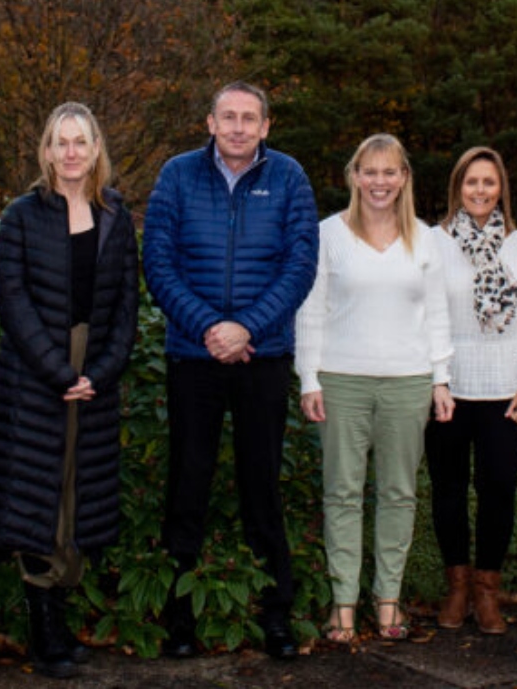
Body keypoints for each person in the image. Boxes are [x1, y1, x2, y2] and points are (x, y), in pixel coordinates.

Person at [141, 81, 319, 660]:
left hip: (263, 359)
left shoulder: (290, 177)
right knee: (187, 485)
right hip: (194, 357)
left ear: (266, 126)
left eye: (250, 118)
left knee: (260, 489)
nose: (239, 127)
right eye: (228, 117)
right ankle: (179, 620)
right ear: (210, 122)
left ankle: (276, 617)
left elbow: (300, 265)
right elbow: (159, 263)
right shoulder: (177, 175)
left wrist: (247, 328)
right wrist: (210, 330)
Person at [0, 103, 138, 679]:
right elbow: (11, 300)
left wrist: (104, 368)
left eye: (81, 142)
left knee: (77, 495)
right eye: (60, 142)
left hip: (94, 376)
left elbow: (126, 307)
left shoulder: (116, 215)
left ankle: (60, 614)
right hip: (37, 377)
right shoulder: (22, 216)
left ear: (97, 150)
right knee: (37, 496)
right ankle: (43, 628)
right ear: (45, 151)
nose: (71, 153)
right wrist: (58, 371)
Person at [296, 133, 453, 643]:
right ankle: (343, 603)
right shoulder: (327, 235)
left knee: (399, 494)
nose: (379, 181)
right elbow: (311, 310)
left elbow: (437, 315)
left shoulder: (427, 239)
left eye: (389, 172)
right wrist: (309, 378)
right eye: (370, 171)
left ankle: (388, 601)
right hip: (342, 381)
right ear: (354, 176)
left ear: (404, 177)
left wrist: (441, 379)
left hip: (408, 383)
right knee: (341, 493)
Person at [423, 147, 517, 636]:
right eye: (471, 182)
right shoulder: (433, 243)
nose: (480, 191)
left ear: (501, 190)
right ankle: (456, 586)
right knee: (448, 492)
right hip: (448, 391)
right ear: (458, 187)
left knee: (497, 490)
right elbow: (426, 316)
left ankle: (487, 591)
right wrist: (437, 381)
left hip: (503, 393)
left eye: (489, 183)